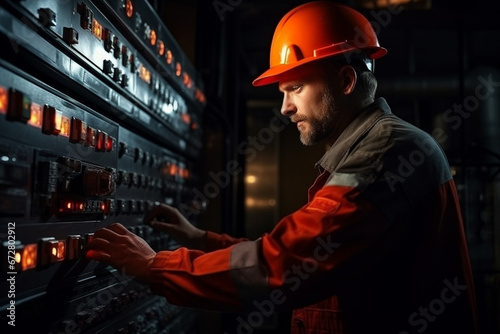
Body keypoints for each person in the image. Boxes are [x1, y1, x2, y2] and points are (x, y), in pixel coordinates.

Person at [86, 2, 478, 333]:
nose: (285, 108)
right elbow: (295, 253)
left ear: (344, 80)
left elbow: (286, 265)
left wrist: (156, 266)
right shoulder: (371, 148)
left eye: (295, 89)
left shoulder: (386, 152)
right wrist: (200, 238)